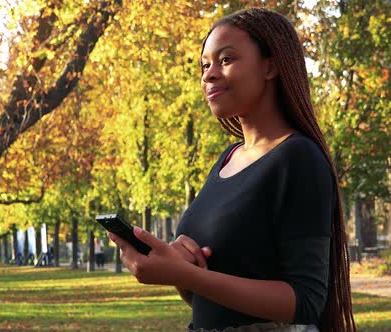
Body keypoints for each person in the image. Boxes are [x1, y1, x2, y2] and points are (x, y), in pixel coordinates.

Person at [107, 8, 355, 332]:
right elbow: (212, 298)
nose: (209, 74)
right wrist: (182, 270)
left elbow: (306, 301)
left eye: (225, 60)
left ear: (271, 65)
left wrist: (186, 274)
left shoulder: (298, 158)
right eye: (205, 65)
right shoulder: (227, 159)